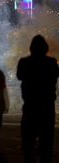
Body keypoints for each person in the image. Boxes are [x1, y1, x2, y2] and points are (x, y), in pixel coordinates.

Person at [17, 35, 59, 163]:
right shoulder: (52, 62)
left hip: (30, 105)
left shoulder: (24, 62)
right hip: (47, 106)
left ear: (31, 48)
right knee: (47, 139)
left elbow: (19, 76)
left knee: (28, 140)